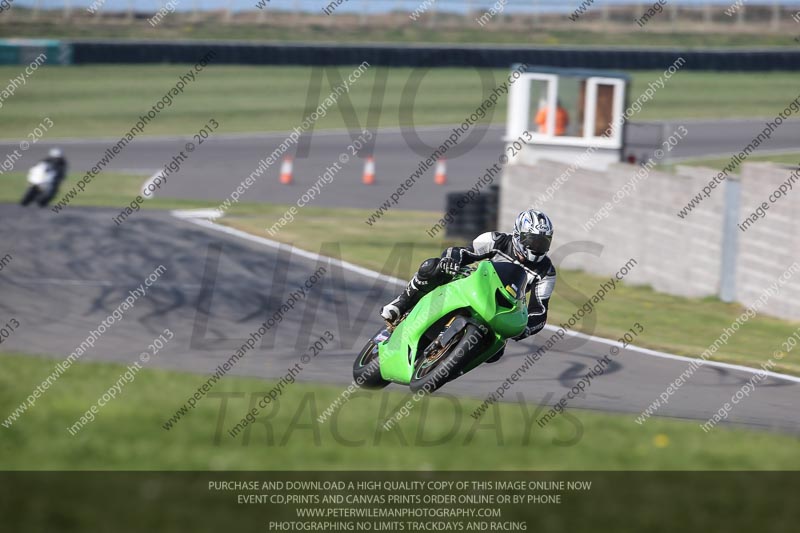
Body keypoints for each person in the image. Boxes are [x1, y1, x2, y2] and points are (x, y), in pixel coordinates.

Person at [380, 209, 557, 363]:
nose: (537, 247)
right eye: (533, 241)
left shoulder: (546, 272)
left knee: (495, 353)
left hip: (501, 309)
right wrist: (451, 260)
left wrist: (525, 328)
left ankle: (449, 365)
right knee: (432, 267)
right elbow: (462, 251)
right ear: (518, 235)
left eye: (543, 242)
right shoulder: (496, 240)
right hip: (472, 284)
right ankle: (401, 304)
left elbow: (539, 311)